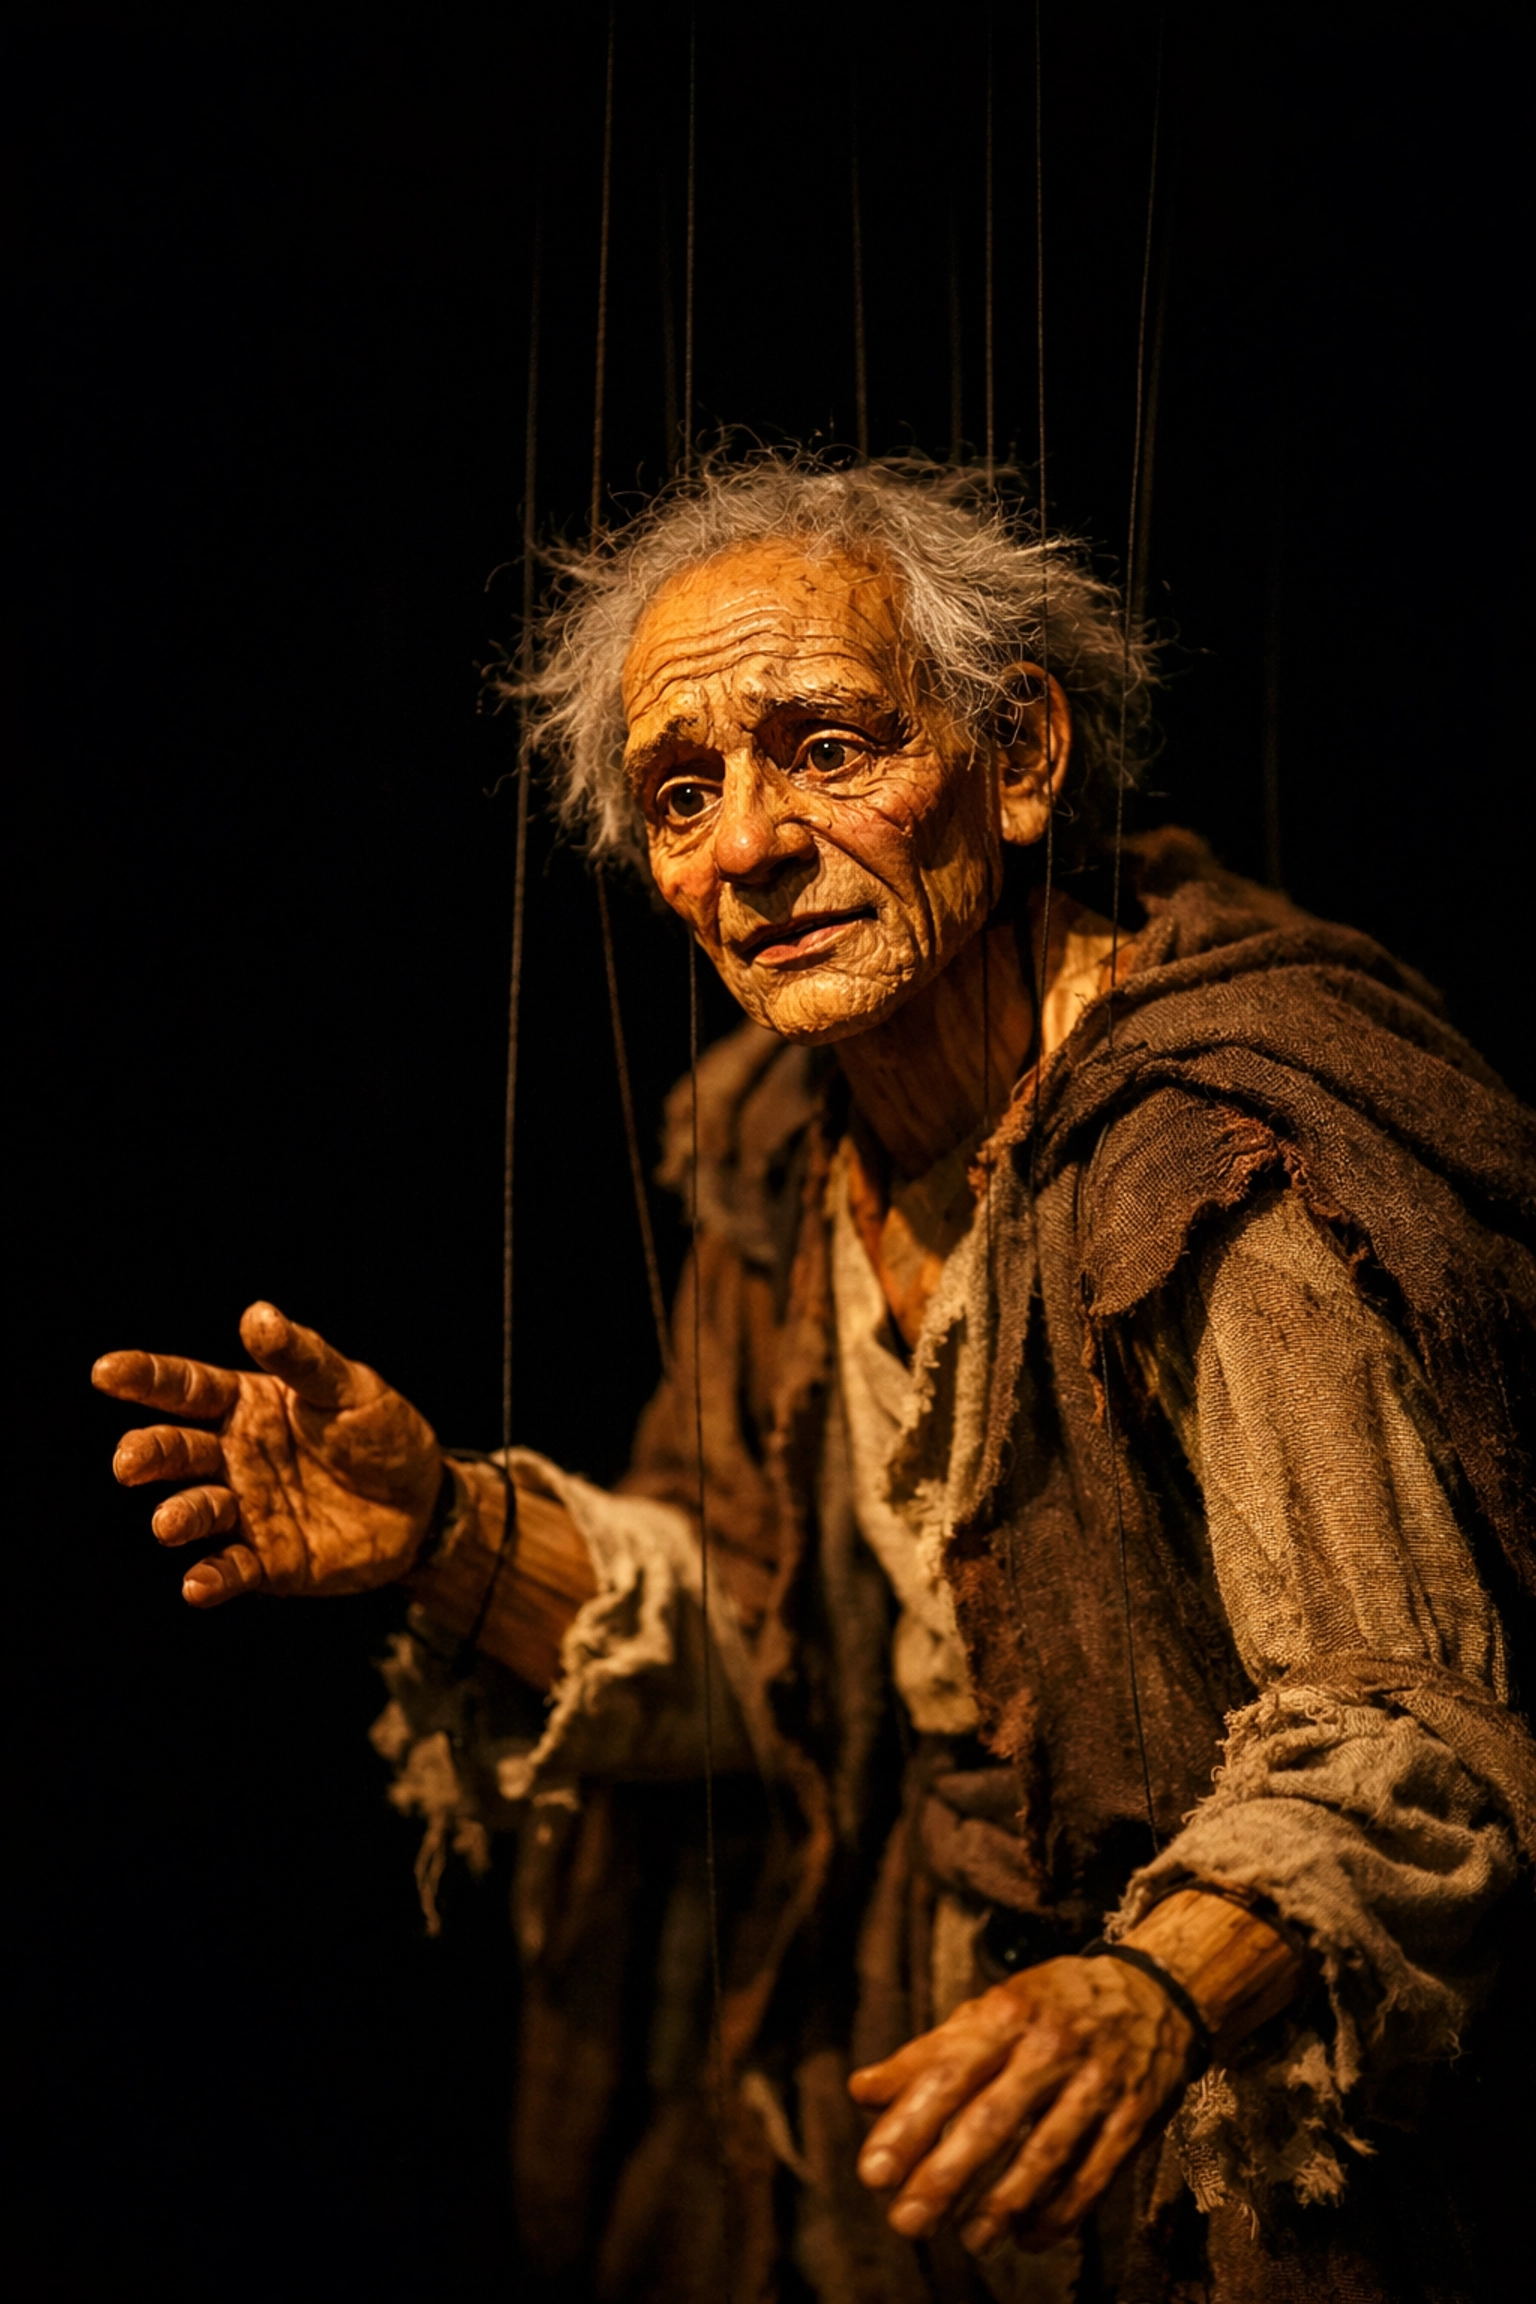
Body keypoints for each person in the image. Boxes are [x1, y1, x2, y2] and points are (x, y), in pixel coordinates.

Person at [94, 462, 1536, 2303]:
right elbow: (779, 1648)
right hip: (913, 2107)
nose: (747, 848)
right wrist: (449, 1538)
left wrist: (1164, 1982)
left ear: (1017, 763)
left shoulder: (1206, 1171)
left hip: (1242, 2152)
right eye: (681, 797)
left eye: (830, 751)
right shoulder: (782, 1159)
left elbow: (1416, 1736)